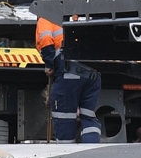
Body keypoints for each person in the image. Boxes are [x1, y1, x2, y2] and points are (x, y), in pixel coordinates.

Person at [35, 15, 102, 143]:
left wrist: (49, 65)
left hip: (70, 72)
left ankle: (67, 157)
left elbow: (46, 41)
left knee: (64, 118)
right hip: (94, 73)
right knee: (88, 117)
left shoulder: (46, 17)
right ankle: (92, 150)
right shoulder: (79, 14)